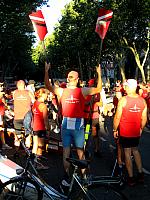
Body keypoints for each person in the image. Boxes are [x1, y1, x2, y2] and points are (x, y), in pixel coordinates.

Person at [44, 62, 102, 183]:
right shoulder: (83, 91)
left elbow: (47, 86)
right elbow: (99, 89)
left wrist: (46, 71)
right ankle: (84, 176)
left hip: (66, 124)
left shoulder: (61, 91)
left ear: (69, 79)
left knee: (66, 151)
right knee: (80, 151)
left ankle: (66, 176)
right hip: (77, 125)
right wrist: (99, 74)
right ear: (77, 79)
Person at [113, 79, 147, 186]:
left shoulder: (124, 100)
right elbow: (144, 118)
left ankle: (131, 177)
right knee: (136, 151)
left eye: (126, 86)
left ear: (131, 87)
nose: (125, 88)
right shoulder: (142, 101)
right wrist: (141, 128)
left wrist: (114, 129)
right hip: (136, 131)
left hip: (125, 131)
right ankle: (141, 174)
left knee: (127, 153)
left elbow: (117, 117)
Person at [13, 80, 35, 152]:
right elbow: (34, 102)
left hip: (17, 117)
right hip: (27, 116)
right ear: (24, 85)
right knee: (27, 134)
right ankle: (27, 152)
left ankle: (16, 151)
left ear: (17, 86)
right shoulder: (29, 92)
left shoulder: (14, 93)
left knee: (17, 135)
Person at [32, 88, 50, 170]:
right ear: (43, 94)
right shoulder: (43, 106)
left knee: (35, 145)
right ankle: (38, 164)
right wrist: (48, 129)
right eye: (47, 94)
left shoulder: (35, 103)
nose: (48, 96)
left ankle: (33, 163)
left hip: (35, 126)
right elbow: (46, 120)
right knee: (40, 146)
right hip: (41, 128)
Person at [84, 78, 101, 157]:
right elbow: (83, 103)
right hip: (87, 116)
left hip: (94, 116)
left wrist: (95, 101)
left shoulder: (97, 93)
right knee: (86, 132)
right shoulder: (85, 92)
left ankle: (97, 149)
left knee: (95, 133)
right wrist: (89, 102)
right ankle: (85, 148)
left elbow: (100, 103)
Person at [0, 83, 12, 149]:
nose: (2, 87)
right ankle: (3, 144)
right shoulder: (1, 94)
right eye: (0, 86)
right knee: (1, 129)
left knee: (1, 129)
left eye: (2, 86)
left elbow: (4, 104)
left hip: (2, 114)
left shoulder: (2, 95)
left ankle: (4, 144)